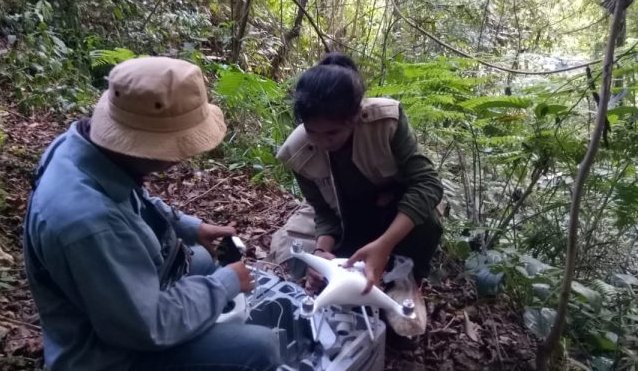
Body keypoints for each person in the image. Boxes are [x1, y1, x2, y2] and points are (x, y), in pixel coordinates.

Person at [23, 57, 281, 371]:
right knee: (261, 348)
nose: (182, 157)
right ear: (151, 149)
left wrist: (190, 227)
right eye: (180, 148)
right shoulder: (89, 223)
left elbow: (130, 198)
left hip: (117, 311)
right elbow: (149, 327)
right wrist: (225, 284)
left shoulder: (81, 146)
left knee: (201, 257)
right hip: (109, 357)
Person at [270, 52, 444, 293]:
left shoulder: (386, 122)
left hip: (394, 209)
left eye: (332, 133)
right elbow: (323, 210)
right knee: (307, 264)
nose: (321, 142)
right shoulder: (297, 151)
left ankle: (407, 282)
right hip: (348, 216)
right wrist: (321, 252)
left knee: (426, 224)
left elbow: (428, 184)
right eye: (312, 131)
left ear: (354, 118)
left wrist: (384, 244)